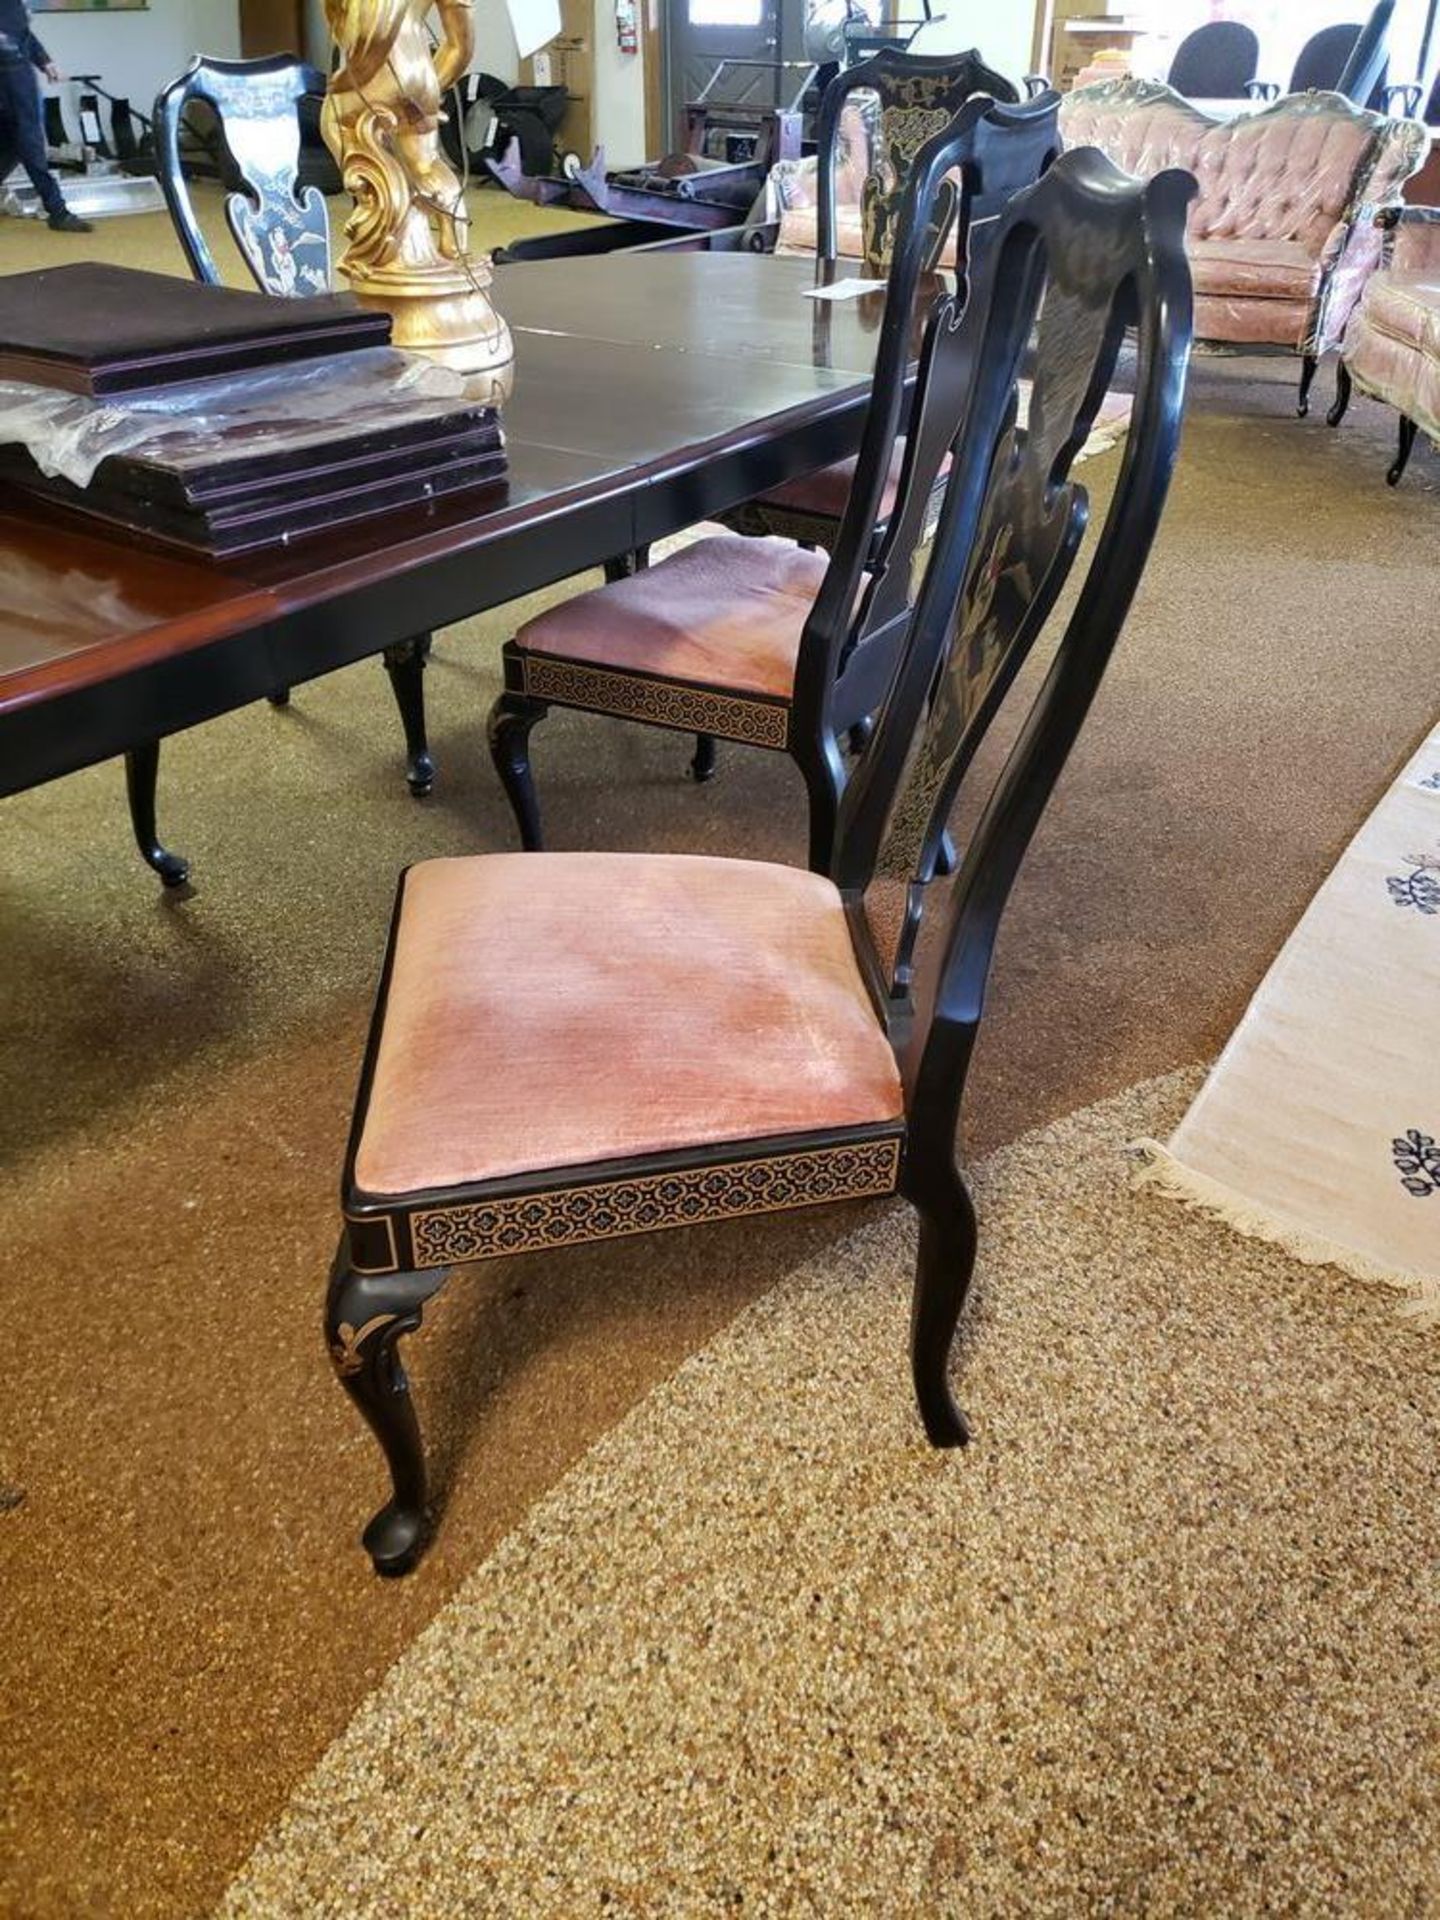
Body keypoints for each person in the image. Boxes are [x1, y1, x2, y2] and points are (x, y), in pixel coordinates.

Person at [0, 0, 92, 233]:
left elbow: (21, 34)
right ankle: (58, 211)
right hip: (12, 79)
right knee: (28, 144)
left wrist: (45, 61)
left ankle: (57, 210)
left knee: (12, 145)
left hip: (16, 75)